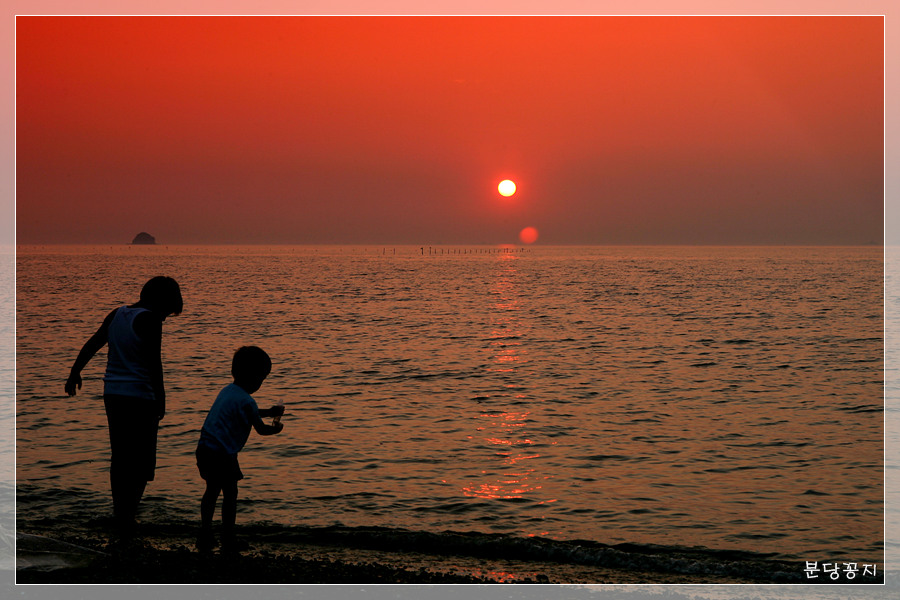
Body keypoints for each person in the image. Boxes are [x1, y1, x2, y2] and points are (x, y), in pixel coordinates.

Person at [64, 276, 183, 536]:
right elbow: (154, 363)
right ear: (160, 302)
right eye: (166, 312)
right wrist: (161, 398)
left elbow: (93, 343)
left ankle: (120, 512)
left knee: (120, 457)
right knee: (141, 459)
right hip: (140, 396)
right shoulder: (149, 319)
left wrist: (75, 372)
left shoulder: (117, 314)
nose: (164, 319)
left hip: (113, 394)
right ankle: (129, 515)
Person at [195, 346, 285, 551]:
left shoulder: (228, 391)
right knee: (230, 494)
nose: (261, 383)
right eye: (262, 378)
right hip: (223, 454)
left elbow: (248, 412)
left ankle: (205, 533)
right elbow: (260, 429)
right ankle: (228, 537)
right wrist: (276, 429)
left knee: (211, 492)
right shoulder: (247, 400)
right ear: (253, 377)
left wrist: (269, 411)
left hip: (206, 448)